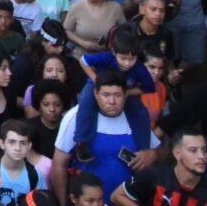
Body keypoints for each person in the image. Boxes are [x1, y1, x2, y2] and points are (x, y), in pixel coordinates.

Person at [50, 70, 160, 204]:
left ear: (126, 95)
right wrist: (63, 203)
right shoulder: (77, 116)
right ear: (96, 94)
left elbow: (162, 151)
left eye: (117, 95)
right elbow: (58, 164)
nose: (112, 101)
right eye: (106, 95)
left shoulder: (136, 117)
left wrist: (153, 154)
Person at [113, 128, 207, 206]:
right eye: (193, 150)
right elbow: (117, 196)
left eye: (204, 150)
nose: (201, 156)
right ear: (177, 153)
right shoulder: (154, 175)